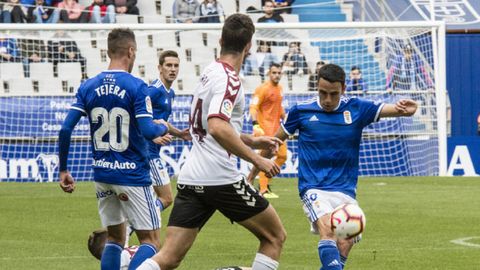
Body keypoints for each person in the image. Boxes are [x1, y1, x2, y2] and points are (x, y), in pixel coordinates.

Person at [137, 13, 287, 270]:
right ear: (249, 46)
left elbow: (213, 126)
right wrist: (257, 159)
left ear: (220, 40)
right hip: (220, 178)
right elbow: (217, 127)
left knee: (168, 258)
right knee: (275, 237)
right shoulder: (230, 80)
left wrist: (252, 140)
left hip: (192, 177)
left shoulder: (209, 72)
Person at [248, 63, 418, 270]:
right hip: (314, 187)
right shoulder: (301, 111)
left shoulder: (357, 108)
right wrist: (252, 174)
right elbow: (273, 143)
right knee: (327, 229)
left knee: (345, 242)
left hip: (345, 190)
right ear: (317, 88)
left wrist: (405, 110)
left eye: (333, 94)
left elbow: (393, 109)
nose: (327, 100)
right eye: (322, 93)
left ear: (343, 89)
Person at [58, 28, 173, 270]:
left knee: (115, 239)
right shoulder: (137, 87)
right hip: (132, 174)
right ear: (131, 51)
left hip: (102, 174)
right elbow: (149, 131)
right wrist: (162, 127)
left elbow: (65, 130)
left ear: (108, 51)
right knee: (150, 242)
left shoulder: (88, 86)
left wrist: (64, 170)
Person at [147, 50, 191, 216]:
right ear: (160, 67)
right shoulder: (154, 90)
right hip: (147, 152)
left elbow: (161, 121)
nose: (172, 69)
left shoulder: (170, 93)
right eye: (168, 65)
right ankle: (139, 221)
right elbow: (137, 116)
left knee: (149, 199)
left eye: (176, 66)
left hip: (152, 151)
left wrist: (180, 134)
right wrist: (154, 135)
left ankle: (127, 235)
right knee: (166, 198)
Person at [249, 63, 286, 198]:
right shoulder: (262, 89)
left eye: (279, 73)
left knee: (282, 156)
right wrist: (255, 124)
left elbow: (279, 107)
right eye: (274, 72)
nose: (276, 75)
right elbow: (253, 107)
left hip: (278, 130)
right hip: (266, 130)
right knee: (264, 158)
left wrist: (285, 118)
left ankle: (263, 184)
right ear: (269, 73)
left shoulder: (280, 89)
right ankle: (263, 189)